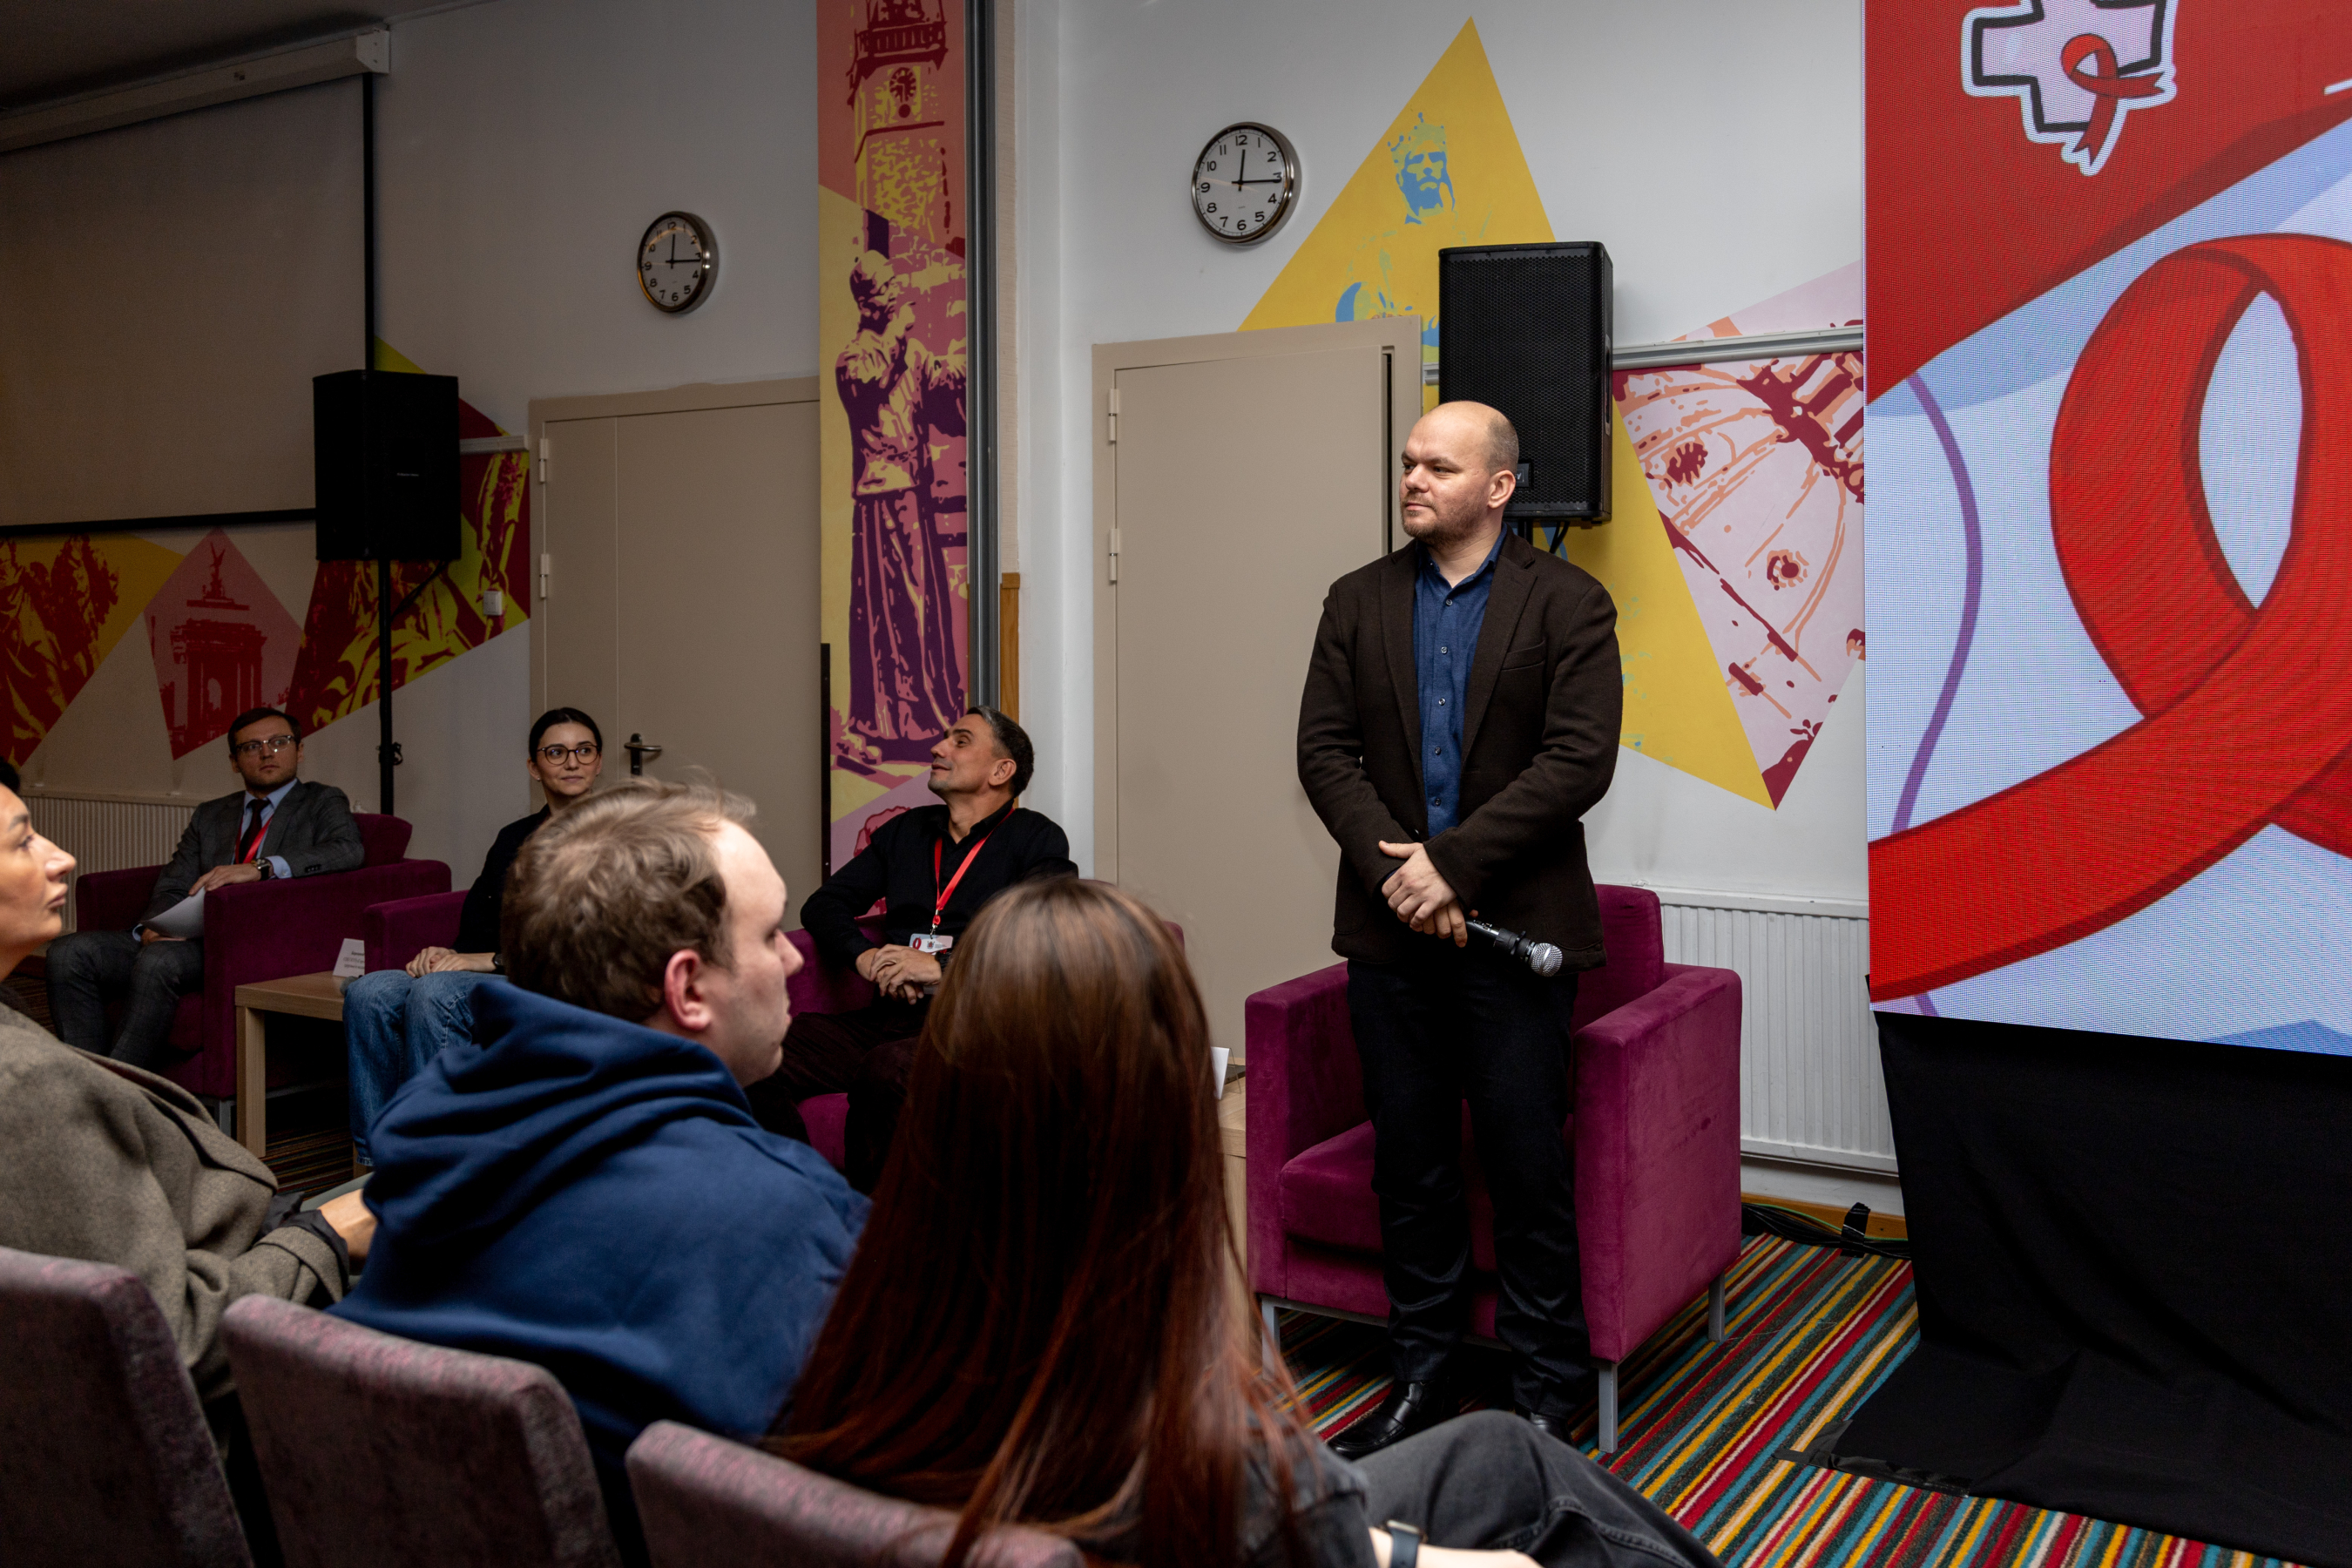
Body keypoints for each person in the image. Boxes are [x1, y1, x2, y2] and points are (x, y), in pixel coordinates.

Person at [772, 878, 1713, 1568]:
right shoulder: (1178, 1426)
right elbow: (1289, 1539)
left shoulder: (833, 1315)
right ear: (1159, 1098)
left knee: (1499, 1452)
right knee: (1540, 1496)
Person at [335, 779, 866, 1562]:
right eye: (769, 934)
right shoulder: (785, 1216)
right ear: (688, 988)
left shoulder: (426, 1142)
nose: (792, 958)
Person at [1296, 402, 1622, 1457]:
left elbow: (1578, 761)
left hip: (1517, 937)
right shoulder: (1356, 599)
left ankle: (1543, 1394)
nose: (1414, 479)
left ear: (1499, 486)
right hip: (1392, 939)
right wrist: (1403, 874)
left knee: (1527, 1170)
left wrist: (1452, 865)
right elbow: (1323, 753)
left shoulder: (1569, 602)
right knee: (1412, 1169)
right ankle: (1421, 1379)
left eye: (1439, 466)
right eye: (1408, 462)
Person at [0, 781, 373, 1396]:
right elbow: (171, 1337)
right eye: (23, 842)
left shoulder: (24, 1043)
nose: (62, 857)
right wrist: (324, 1237)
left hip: (223, 1221)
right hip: (239, 1277)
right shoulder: (39, 1088)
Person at [745, 705, 1074, 1190]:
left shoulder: (1036, 838)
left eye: (960, 740)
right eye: (944, 737)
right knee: (758, 1048)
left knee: (888, 1070)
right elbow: (825, 905)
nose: (938, 748)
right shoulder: (907, 831)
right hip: (889, 1017)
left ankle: (877, 1224)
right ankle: (804, 1195)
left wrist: (942, 965)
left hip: (978, 1025)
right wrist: (865, 957)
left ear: (1001, 771)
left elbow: (1043, 936)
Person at [341, 707, 605, 1164]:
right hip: (497, 970)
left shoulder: (623, 835)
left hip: (565, 979)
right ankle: (380, 1165)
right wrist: (444, 955)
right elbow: (478, 925)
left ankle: (438, 1162)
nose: (571, 762)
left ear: (598, 762)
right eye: (556, 752)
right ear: (534, 767)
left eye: (584, 751)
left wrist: (489, 962)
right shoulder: (513, 837)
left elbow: (596, 940)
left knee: (438, 994)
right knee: (370, 992)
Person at [48, 706, 364, 1071]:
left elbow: (347, 850)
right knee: (68, 952)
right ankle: (81, 1077)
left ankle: (114, 1088)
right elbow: (174, 883)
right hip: (191, 937)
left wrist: (260, 868)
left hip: (255, 943)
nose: (267, 753)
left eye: (279, 742)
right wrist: (157, 926)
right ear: (234, 762)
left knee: (158, 962)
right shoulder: (211, 814)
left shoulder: (322, 801)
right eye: (252, 747)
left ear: (300, 750)